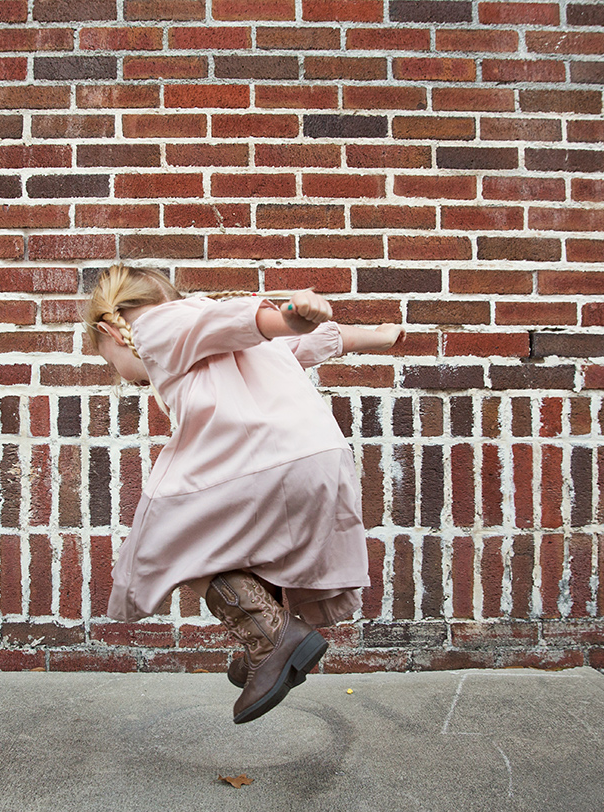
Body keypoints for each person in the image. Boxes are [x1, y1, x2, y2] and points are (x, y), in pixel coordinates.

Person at [83, 265, 404, 724]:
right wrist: (376, 336)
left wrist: (290, 315)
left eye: (116, 366)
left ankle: (271, 637)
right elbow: (306, 342)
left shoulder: (156, 325)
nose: (133, 378)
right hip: (321, 458)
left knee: (167, 540)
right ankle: (269, 643)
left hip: (258, 462)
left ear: (111, 331)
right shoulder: (223, 338)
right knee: (233, 540)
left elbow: (247, 321)